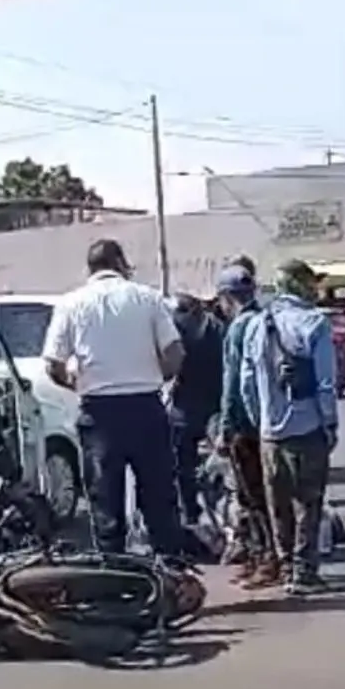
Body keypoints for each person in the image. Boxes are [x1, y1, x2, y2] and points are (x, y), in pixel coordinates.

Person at [41, 239, 184, 555]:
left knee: (105, 501)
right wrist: (158, 378)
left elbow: (53, 363)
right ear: (120, 263)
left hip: (100, 411)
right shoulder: (147, 297)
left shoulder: (70, 303)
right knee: (160, 496)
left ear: (89, 269)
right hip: (146, 406)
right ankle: (171, 574)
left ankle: (114, 578)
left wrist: (77, 385)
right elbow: (174, 352)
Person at [240, 259, 340, 596]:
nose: (316, 288)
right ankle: (304, 571)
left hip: (270, 433)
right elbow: (326, 383)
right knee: (308, 503)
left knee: (279, 505)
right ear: (299, 285)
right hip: (307, 427)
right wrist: (329, 422)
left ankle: (285, 569)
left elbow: (246, 383)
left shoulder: (255, 326)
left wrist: (260, 420)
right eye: (311, 282)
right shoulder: (315, 323)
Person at [214, 264, 273, 584]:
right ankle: (266, 556)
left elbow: (232, 384)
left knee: (251, 497)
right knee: (268, 495)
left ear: (226, 298)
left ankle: (264, 558)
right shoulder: (263, 320)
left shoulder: (237, 328)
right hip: (268, 422)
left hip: (244, 427)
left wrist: (225, 429)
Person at [167, 292, 225, 525]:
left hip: (184, 408)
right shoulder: (217, 329)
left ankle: (191, 514)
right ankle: (222, 516)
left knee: (183, 467)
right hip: (215, 404)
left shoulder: (173, 330)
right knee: (223, 465)